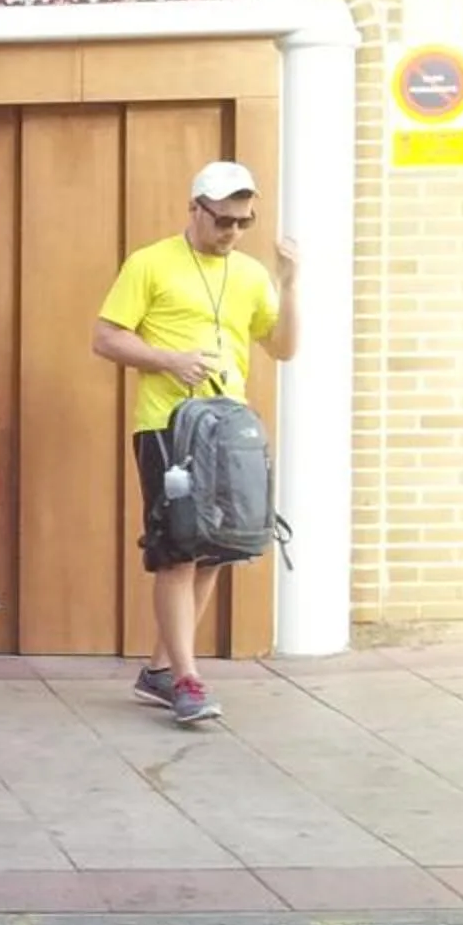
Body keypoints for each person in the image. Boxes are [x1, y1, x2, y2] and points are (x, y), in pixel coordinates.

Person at [93, 159, 300, 728]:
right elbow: (106, 338)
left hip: (227, 427)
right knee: (178, 551)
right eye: (222, 220)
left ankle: (162, 671)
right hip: (169, 425)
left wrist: (288, 283)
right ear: (195, 209)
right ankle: (186, 678)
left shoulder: (252, 274)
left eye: (242, 222)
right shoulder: (150, 263)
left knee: (215, 548)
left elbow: (282, 348)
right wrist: (169, 360)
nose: (231, 232)